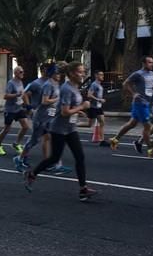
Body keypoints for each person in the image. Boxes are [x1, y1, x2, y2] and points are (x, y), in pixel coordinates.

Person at [23, 62, 98, 201]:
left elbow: (69, 109)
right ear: (71, 74)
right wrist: (82, 106)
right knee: (54, 158)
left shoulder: (75, 88)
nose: (83, 74)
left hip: (70, 129)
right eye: (80, 72)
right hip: (58, 129)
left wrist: (79, 111)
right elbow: (64, 112)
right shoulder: (66, 89)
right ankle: (32, 173)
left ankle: (83, 189)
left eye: (83, 71)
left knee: (80, 157)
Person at [110, 56, 153, 153]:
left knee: (131, 124)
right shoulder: (138, 74)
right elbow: (125, 84)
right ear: (143, 63)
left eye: (152, 62)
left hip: (147, 103)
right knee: (147, 126)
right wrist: (133, 94)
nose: (152, 64)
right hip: (140, 103)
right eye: (149, 62)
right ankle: (150, 149)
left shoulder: (152, 73)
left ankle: (115, 139)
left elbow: (150, 86)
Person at [14, 64, 55, 171]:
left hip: (48, 115)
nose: (49, 72)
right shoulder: (36, 83)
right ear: (42, 71)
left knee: (47, 138)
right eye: (46, 70)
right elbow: (24, 94)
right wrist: (30, 108)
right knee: (34, 140)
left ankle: (46, 162)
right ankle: (19, 158)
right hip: (39, 115)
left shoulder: (51, 82)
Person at [0, 66, 30, 156]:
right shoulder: (11, 83)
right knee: (7, 129)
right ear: (16, 73)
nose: (22, 73)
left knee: (25, 127)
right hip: (10, 110)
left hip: (19, 109)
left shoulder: (20, 82)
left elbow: (23, 94)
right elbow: (5, 96)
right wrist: (16, 94)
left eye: (23, 72)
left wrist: (27, 105)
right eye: (21, 72)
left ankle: (16, 144)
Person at [87, 70, 109, 146]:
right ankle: (75, 124)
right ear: (96, 75)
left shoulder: (99, 85)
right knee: (89, 124)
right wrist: (99, 99)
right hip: (93, 107)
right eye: (100, 75)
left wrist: (101, 100)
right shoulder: (94, 84)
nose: (102, 76)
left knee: (102, 122)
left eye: (103, 75)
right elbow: (89, 95)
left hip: (98, 107)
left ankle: (102, 141)